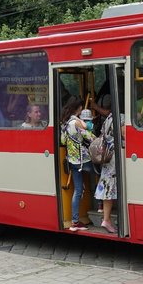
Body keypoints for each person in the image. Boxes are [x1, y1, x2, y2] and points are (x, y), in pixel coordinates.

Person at [60, 98, 96, 231]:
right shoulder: (76, 122)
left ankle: (75, 222)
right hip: (83, 159)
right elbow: (89, 136)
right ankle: (100, 207)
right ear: (79, 108)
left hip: (72, 161)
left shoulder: (66, 123)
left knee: (78, 190)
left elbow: (63, 140)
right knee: (102, 177)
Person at [93, 110, 122, 234]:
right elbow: (125, 134)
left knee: (107, 186)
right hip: (114, 156)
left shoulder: (109, 117)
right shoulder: (122, 117)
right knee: (110, 187)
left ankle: (106, 219)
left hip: (107, 156)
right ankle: (106, 219)